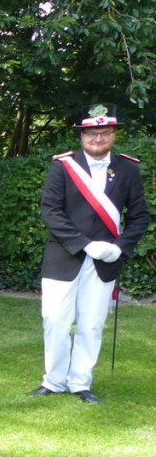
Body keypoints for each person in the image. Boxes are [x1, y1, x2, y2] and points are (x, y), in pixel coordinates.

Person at [30, 103, 150, 404]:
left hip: (105, 260)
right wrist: (84, 243)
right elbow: (51, 212)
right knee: (55, 320)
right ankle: (53, 381)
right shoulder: (63, 167)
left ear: (114, 135)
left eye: (105, 132)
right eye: (92, 133)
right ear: (82, 135)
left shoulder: (128, 169)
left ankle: (80, 383)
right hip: (63, 257)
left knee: (92, 324)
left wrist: (119, 248)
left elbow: (140, 217)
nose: (98, 138)